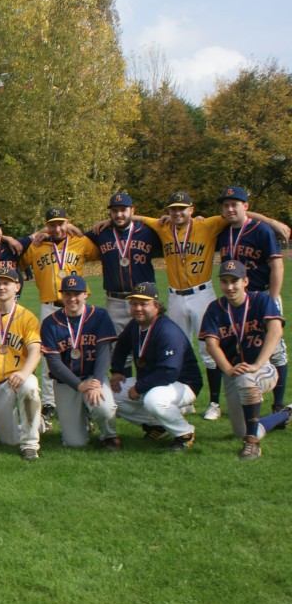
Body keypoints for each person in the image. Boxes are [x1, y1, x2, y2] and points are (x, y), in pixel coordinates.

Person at [124, 191, 287, 422]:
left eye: (182, 208)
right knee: (175, 347)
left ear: (191, 210)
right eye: (173, 209)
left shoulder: (208, 224)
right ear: (168, 211)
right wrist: (109, 220)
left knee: (209, 348)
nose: (177, 213)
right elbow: (135, 217)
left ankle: (214, 403)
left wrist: (272, 222)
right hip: (175, 295)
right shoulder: (163, 226)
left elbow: (240, 213)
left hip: (201, 292)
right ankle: (183, 400)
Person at [19, 207, 100, 421]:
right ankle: (49, 402)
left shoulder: (80, 241)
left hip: (77, 305)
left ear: (67, 222)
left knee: (82, 352)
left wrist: (78, 229)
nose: (57, 228)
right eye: (52, 224)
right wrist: (37, 235)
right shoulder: (37, 246)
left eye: (61, 223)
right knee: (49, 355)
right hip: (50, 306)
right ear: (47, 226)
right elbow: (19, 260)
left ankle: (86, 397)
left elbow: (100, 250)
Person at [200, 261, 287, 460]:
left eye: (234, 281)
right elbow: (211, 344)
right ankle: (285, 414)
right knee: (243, 430)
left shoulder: (260, 300)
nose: (229, 287)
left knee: (246, 379)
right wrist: (229, 369)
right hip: (232, 372)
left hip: (263, 368)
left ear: (245, 281)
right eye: (224, 281)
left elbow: (275, 331)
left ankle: (252, 444)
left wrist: (257, 365)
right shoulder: (215, 308)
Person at [215, 186, 288, 420]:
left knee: (275, 351)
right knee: (241, 346)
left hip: (261, 295)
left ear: (246, 206)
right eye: (226, 205)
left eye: (234, 204)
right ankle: (247, 395)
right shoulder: (223, 231)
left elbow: (277, 266)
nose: (229, 209)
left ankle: (278, 404)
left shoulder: (261, 230)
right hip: (236, 299)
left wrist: (272, 299)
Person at [110, 282, 203, 452]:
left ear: (157, 306)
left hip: (182, 383)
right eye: (134, 303)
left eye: (144, 303)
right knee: (110, 395)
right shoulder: (135, 325)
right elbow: (121, 345)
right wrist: (116, 371)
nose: (138, 308)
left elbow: (170, 371)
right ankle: (158, 427)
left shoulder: (167, 331)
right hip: (153, 381)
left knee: (154, 400)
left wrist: (139, 387)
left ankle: (184, 432)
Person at [38, 274, 119, 449]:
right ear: (61, 296)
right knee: (74, 443)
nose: (72, 298)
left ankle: (109, 435)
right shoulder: (50, 323)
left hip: (92, 377)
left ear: (85, 295)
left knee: (104, 408)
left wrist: (97, 382)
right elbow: (54, 364)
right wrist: (78, 385)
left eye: (77, 294)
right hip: (66, 382)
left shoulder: (99, 315)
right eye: (67, 294)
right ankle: (84, 422)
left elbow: (104, 352)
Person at [0, 268, 43, 460]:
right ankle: (38, 422)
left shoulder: (27, 317)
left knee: (30, 387)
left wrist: (24, 373)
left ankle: (30, 445)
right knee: (9, 441)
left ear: (17, 287)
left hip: (19, 378)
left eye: (6, 283)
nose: (2, 287)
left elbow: (35, 350)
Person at [84, 194, 160, 334]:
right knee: (117, 344)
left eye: (123, 210)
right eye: (114, 211)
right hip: (115, 301)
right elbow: (73, 240)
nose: (119, 215)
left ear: (132, 211)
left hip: (143, 299)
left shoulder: (148, 232)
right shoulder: (100, 233)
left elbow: (171, 226)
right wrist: (44, 232)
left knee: (147, 342)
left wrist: (198, 220)